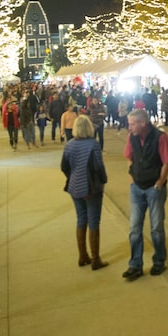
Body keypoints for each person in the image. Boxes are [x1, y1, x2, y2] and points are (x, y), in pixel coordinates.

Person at [122, 109, 168, 281]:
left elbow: (167, 162)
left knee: (156, 228)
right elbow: (129, 156)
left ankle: (159, 260)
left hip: (154, 189)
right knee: (135, 228)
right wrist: (132, 173)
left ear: (143, 123)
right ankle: (135, 265)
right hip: (137, 188)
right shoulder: (132, 138)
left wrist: (160, 182)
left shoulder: (160, 137)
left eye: (132, 124)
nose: (129, 127)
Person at [61, 115, 109, 270]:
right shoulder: (93, 144)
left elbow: (64, 166)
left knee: (81, 219)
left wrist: (73, 176)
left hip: (75, 187)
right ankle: (96, 259)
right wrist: (103, 180)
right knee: (94, 221)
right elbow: (98, 166)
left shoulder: (69, 145)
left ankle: (82, 255)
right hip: (91, 188)